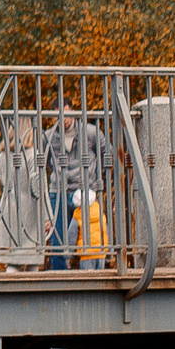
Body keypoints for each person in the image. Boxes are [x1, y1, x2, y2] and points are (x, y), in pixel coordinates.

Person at [41, 102, 110, 271]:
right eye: (57, 115)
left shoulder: (91, 132)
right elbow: (44, 162)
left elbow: (107, 153)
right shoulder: (48, 136)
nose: (62, 119)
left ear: (74, 112)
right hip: (59, 191)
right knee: (58, 240)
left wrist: (93, 178)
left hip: (86, 191)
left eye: (66, 114)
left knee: (90, 238)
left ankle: (92, 276)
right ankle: (60, 282)